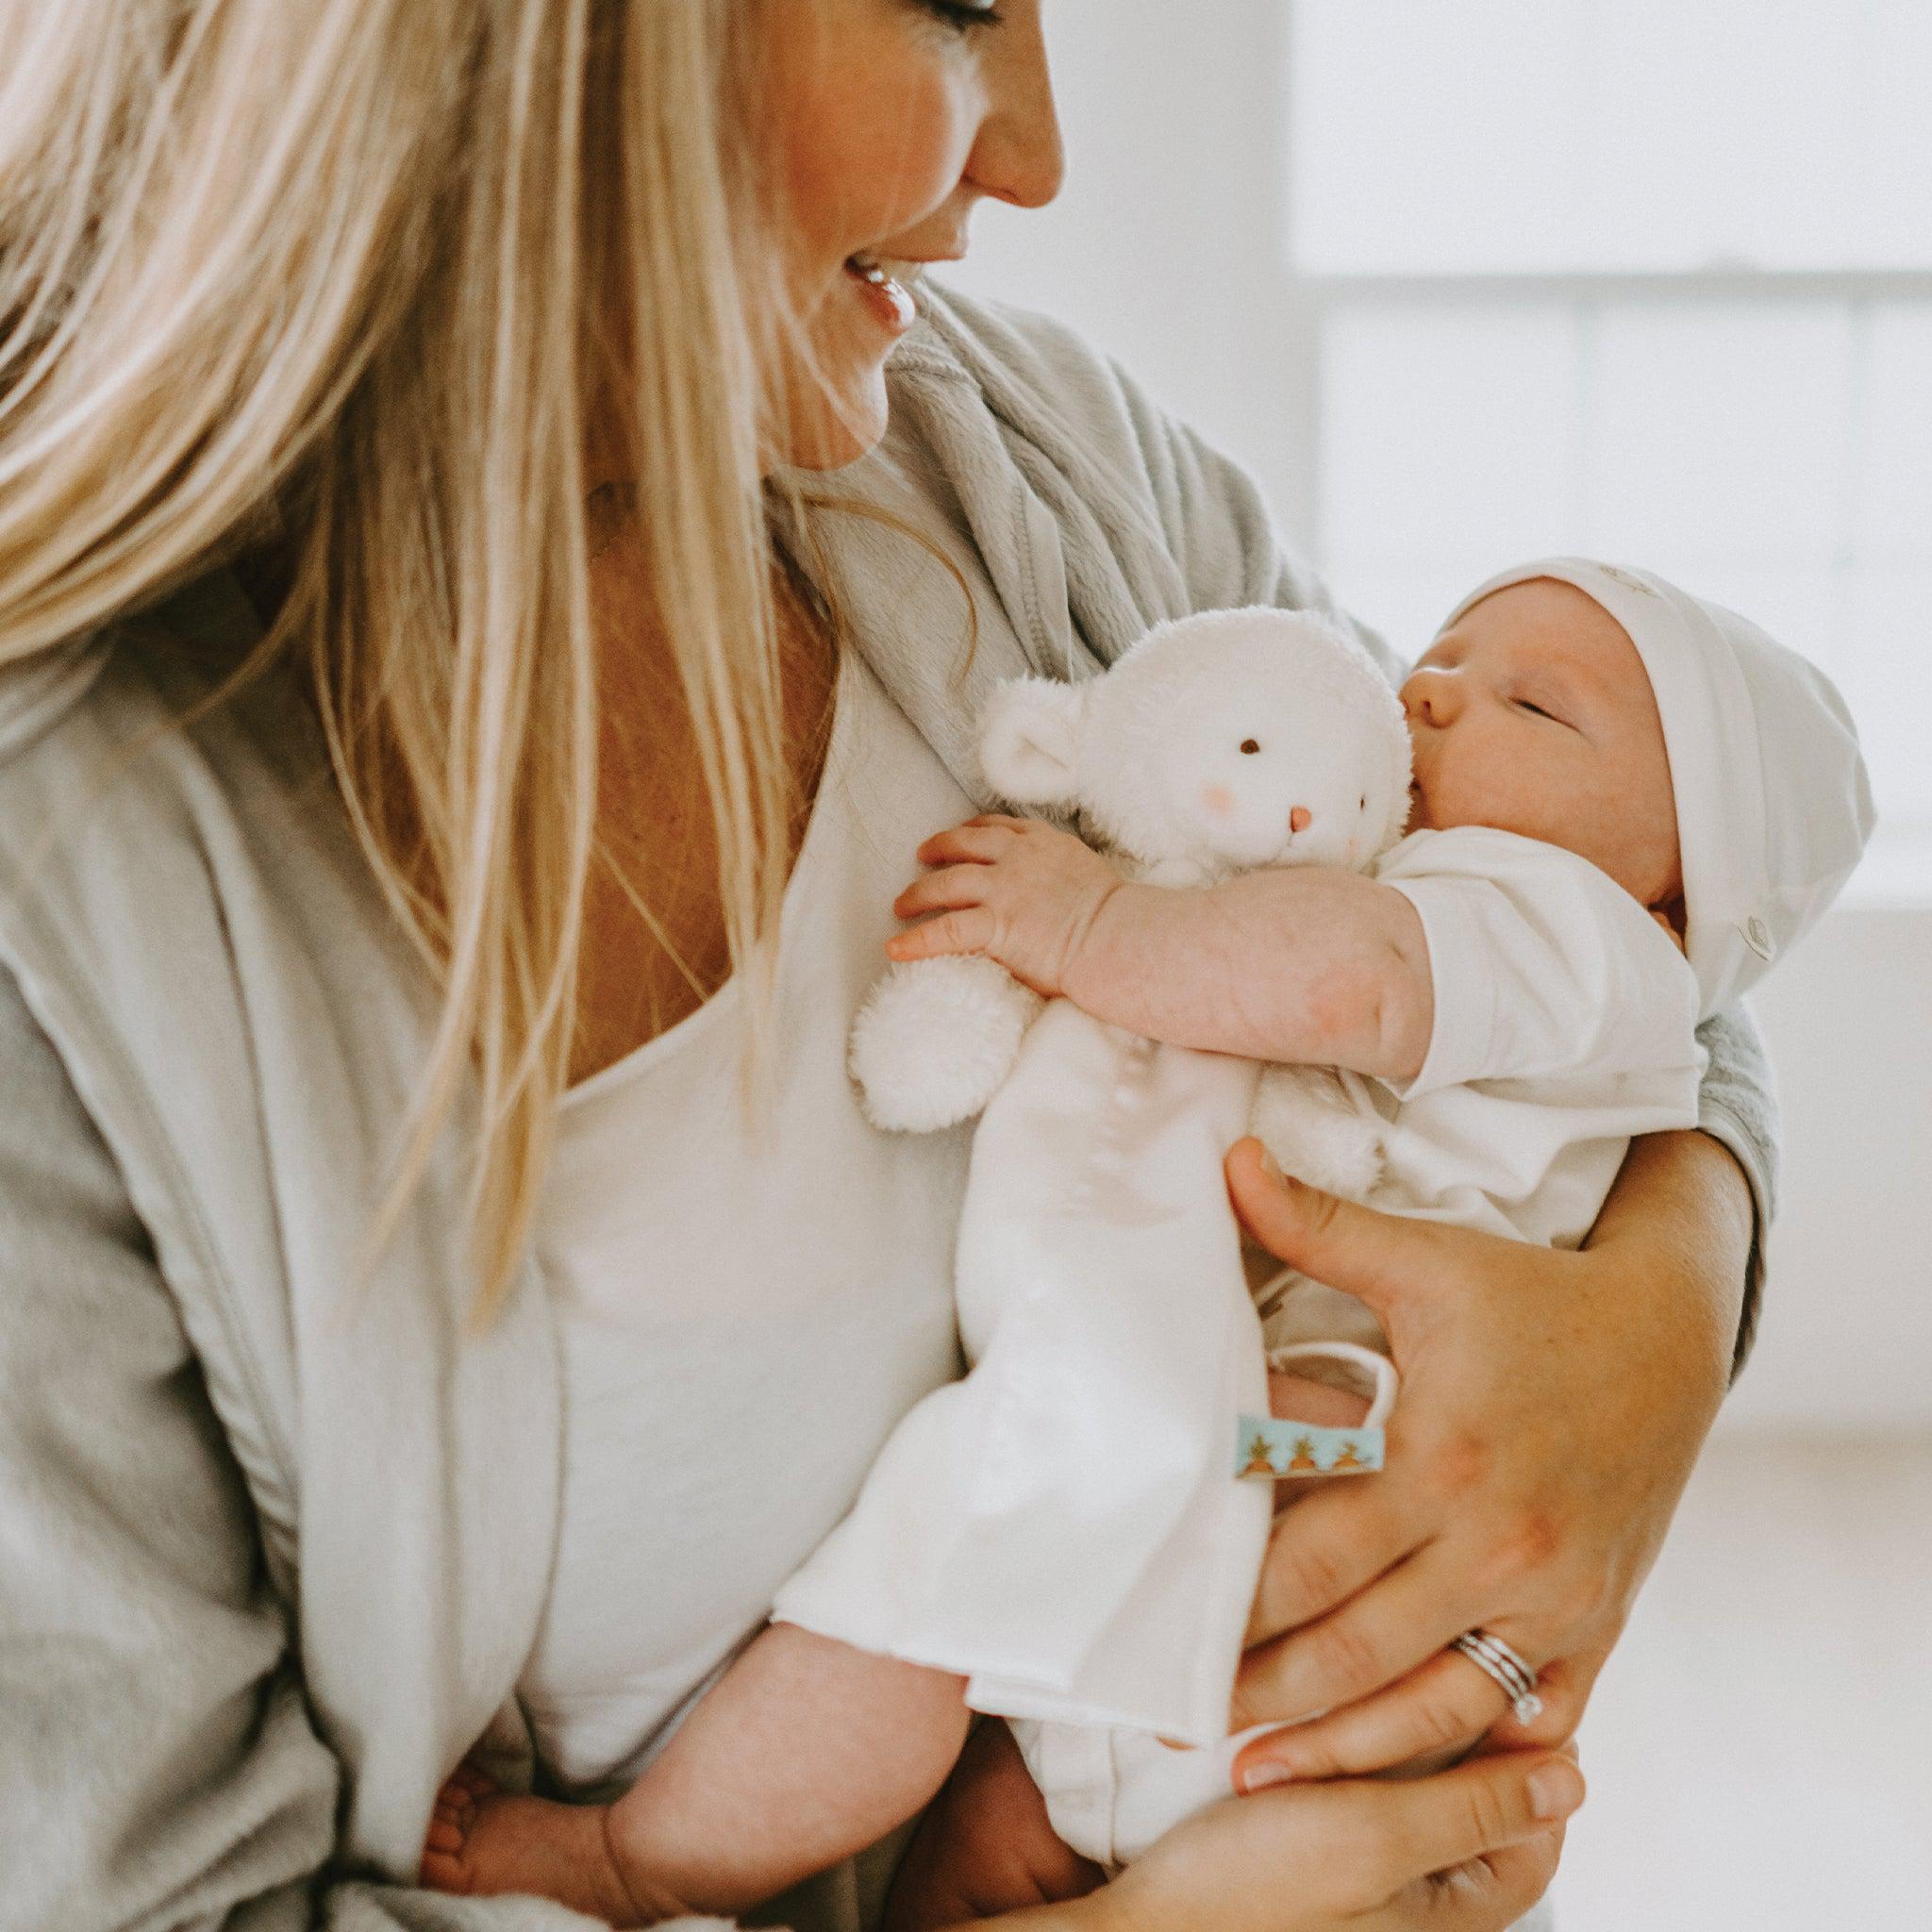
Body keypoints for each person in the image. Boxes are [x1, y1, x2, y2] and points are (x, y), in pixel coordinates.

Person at [0, 5, 1773, 1930]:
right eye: (947, 2)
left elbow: (1602, 904)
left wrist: (1648, 1342)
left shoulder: (1021, 459)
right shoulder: (64, 913)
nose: (1034, 154)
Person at [414, 559, 1869, 1912]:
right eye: (1442, 652)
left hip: (1302, 1459)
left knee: (927, 1601)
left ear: (1674, 898)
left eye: (1534, 705)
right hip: (1279, 1545)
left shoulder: (1568, 936)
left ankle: (630, 1861)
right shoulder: (1501, 911)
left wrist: (1092, 927)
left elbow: (1340, 986)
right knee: (992, 1814)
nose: (1425, 692)